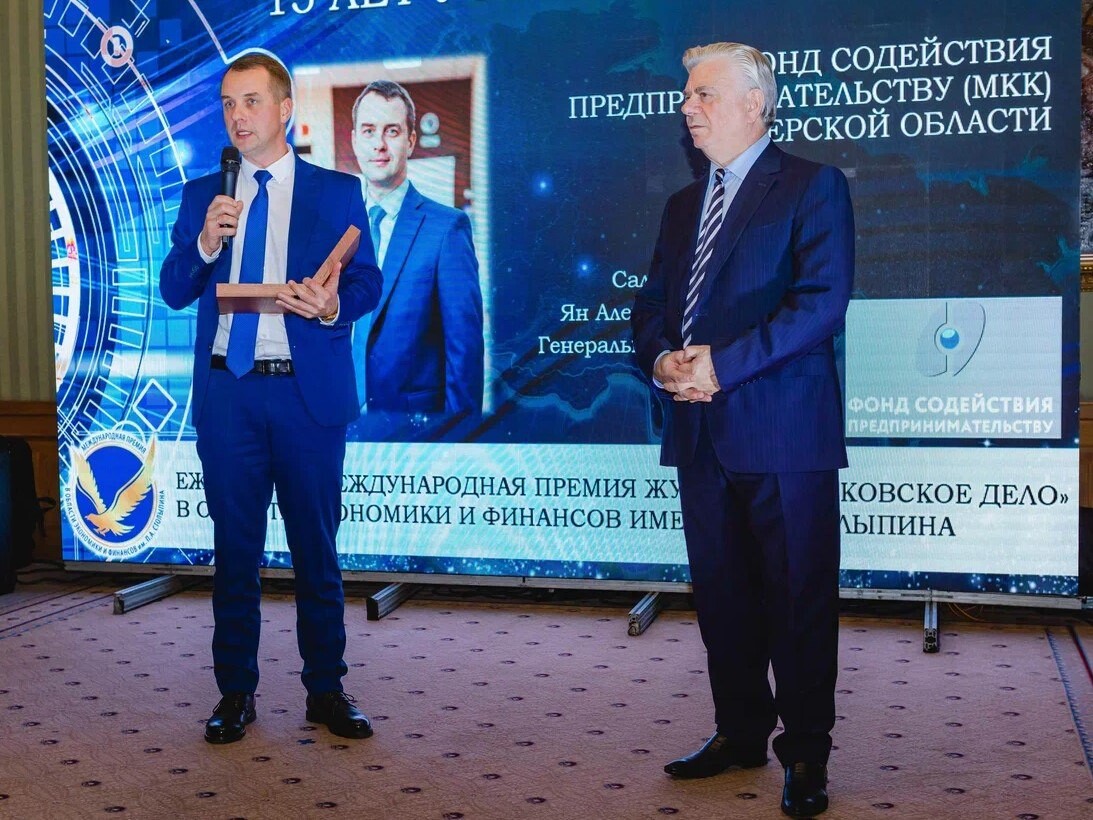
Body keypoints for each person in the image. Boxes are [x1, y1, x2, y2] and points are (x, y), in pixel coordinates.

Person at [631, 42, 854, 818]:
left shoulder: (812, 186)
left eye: (702, 93)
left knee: (797, 600)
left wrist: (720, 367)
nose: (685, 106)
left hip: (783, 434)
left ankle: (806, 752)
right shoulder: (680, 205)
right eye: (685, 95)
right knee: (722, 599)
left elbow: (820, 303)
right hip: (698, 435)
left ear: (754, 104)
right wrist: (661, 360)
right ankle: (738, 732)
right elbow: (650, 306)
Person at [159, 53, 383, 745]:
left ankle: (326, 689)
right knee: (235, 552)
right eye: (228, 104)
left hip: (305, 397)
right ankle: (235, 692)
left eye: (251, 101)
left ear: (285, 108)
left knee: (316, 548)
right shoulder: (204, 195)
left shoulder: (336, 191)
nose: (238, 116)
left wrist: (331, 305)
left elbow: (367, 282)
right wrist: (205, 242)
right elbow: (174, 288)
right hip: (228, 396)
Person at [349, 79, 483, 418]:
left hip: (412, 432)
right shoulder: (333, 227)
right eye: (368, 131)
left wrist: (457, 437)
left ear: (410, 141)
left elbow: (464, 351)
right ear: (354, 140)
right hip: (337, 425)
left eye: (392, 131)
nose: (379, 144)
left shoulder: (447, 230)